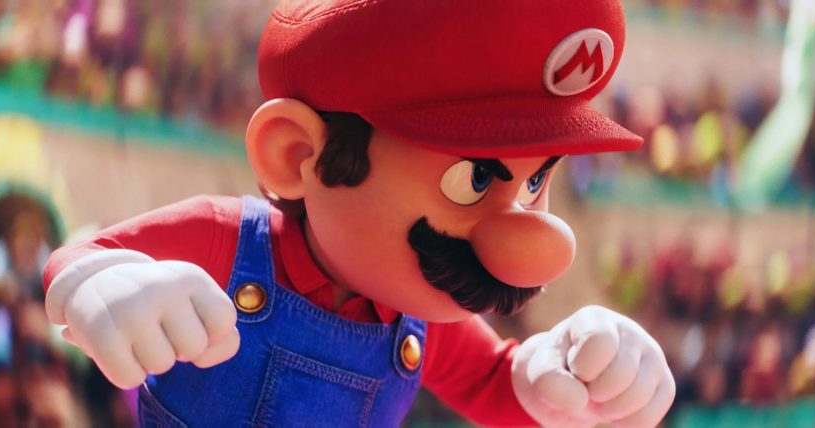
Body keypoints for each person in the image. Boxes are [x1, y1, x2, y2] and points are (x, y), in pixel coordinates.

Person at [41, 0, 675, 426]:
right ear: (297, 155)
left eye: (535, 182)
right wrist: (105, 284)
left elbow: (492, 384)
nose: (533, 245)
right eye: (475, 178)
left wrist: (566, 377)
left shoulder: (422, 316)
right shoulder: (229, 240)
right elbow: (83, 259)